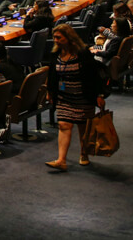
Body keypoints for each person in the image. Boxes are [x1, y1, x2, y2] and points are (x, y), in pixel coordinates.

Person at [45, 24, 106, 171]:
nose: (56, 40)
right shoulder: (56, 53)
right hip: (64, 96)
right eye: (54, 37)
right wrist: (50, 92)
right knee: (64, 125)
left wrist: (99, 95)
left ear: (69, 37)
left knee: (83, 127)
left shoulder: (83, 53)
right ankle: (61, 160)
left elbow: (94, 76)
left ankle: (84, 154)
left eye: (59, 37)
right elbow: (52, 75)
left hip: (83, 96)